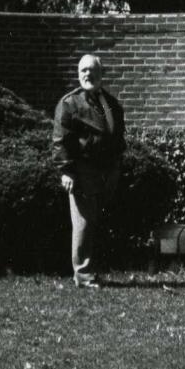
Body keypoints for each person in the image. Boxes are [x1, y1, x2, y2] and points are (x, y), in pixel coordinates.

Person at [53, 54, 126, 288]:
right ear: (78, 75)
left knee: (97, 220)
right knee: (83, 221)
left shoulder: (111, 103)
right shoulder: (70, 103)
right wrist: (66, 171)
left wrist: (117, 164)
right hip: (83, 170)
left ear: (101, 74)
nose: (87, 74)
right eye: (83, 70)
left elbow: (117, 134)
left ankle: (95, 269)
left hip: (108, 171)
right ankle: (83, 274)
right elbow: (60, 140)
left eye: (92, 70)